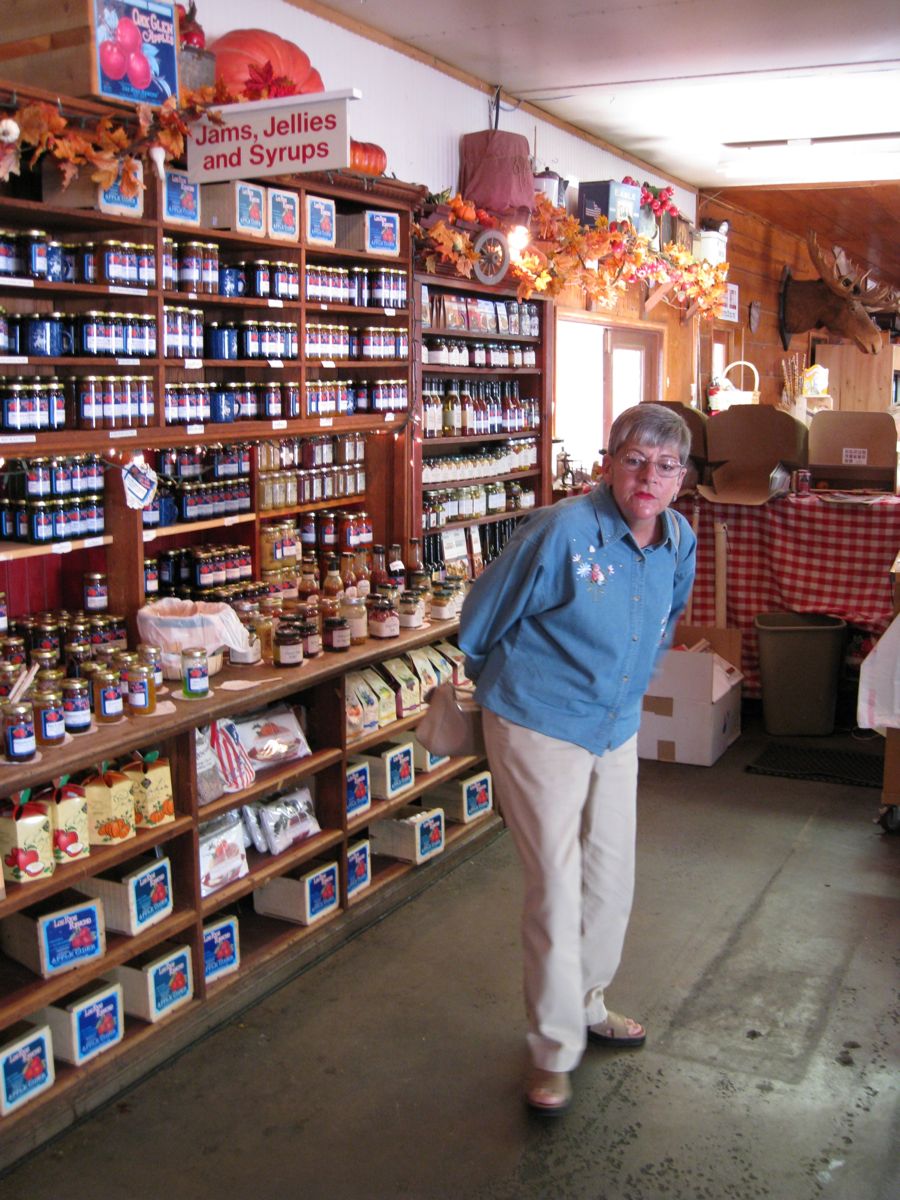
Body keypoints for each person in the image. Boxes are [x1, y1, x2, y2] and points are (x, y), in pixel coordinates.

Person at [458, 403, 696, 1114]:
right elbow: (481, 615)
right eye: (633, 460)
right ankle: (553, 1051)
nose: (647, 478)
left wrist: (627, 688)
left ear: (682, 478)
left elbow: (665, 618)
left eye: (665, 465)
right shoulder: (564, 530)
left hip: (614, 721)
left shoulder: (677, 537)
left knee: (610, 875)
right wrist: (507, 687)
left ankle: (588, 1003)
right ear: (608, 463)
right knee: (556, 887)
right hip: (537, 722)